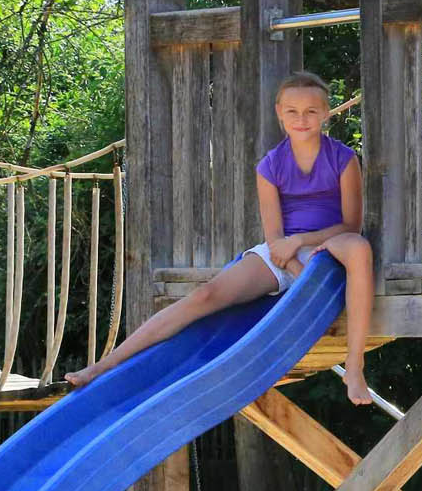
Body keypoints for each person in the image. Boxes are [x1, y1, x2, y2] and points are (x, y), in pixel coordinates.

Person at [67, 73, 376, 404]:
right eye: (292, 111)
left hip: (329, 243)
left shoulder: (343, 159)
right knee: (206, 294)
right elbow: (274, 240)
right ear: (279, 113)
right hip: (285, 251)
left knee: (359, 248)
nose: (301, 120)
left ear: (326, 113)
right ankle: (102, 367)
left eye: (311, 111)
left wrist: (303, 242)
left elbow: (350, 225)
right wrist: (296, 267)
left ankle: (355, 367)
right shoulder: (270, 166)